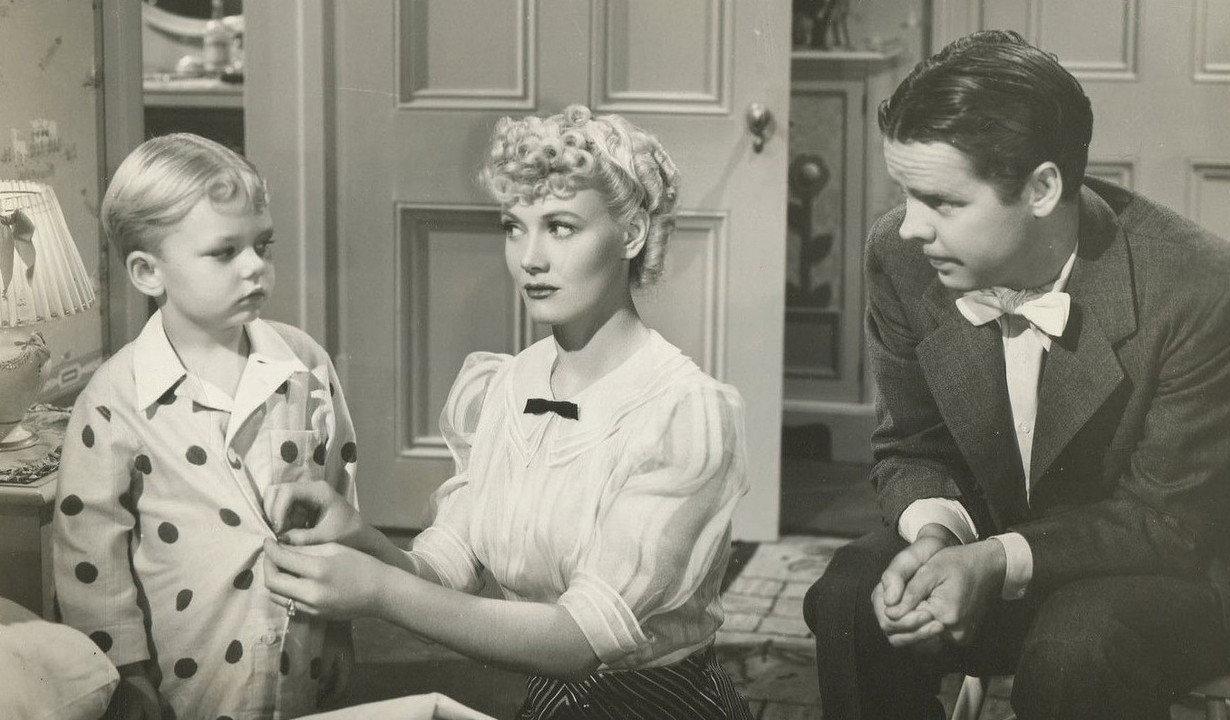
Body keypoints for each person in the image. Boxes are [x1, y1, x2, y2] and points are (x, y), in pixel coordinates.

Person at [803, 30, 1230, 720]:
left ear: (1042, 189)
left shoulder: (1207, 290)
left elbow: (1169, 522)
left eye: (943, 202)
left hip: (1177, 565)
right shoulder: (901, 258)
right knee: (853, 594)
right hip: (996, 544)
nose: (910, 228)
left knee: (1077, 645)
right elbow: (911, 444)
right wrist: (937, 538)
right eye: (907, 195)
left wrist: (997, 561)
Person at [260, 105, 753, 719]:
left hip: (659, 707)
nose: (530, 259)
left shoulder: (684, 413)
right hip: (546, 701)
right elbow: (447, 570)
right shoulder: (505, 383)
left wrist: (380, 593)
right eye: (514, 228)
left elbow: (577, 641)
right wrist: (361, 539)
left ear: (631, 236)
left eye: (561, 227)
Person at [52, 133, 358, 720]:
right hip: (184, 671)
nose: (255, 267)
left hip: (301, 653)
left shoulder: (304, 364)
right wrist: (126, 674)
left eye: (262, 245)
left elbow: (338, 499)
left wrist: (343, 623)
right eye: (224, 252)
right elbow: (90, 554)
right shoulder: (116, 398)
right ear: (148, 272)